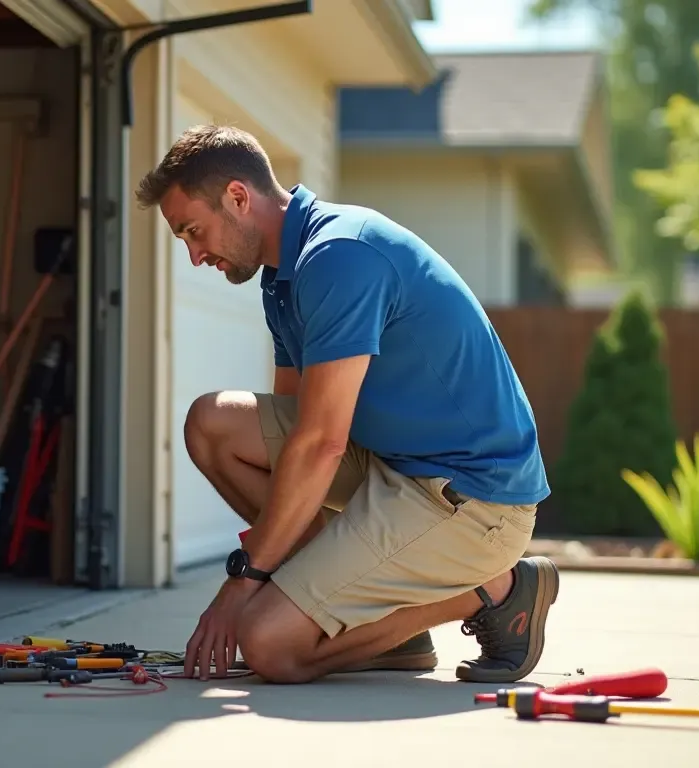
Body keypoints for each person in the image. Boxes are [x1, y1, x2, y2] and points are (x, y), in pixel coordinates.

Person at [135, 125, 557, 685]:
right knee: (213, 424)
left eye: (194, 231)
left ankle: (500, 592)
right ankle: (372, 616)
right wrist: (297, 576)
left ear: (238, 197)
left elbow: (321, 443)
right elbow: (290, 438)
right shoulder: (280, 276)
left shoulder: (338, 256)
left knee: (269, 644)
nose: (193, 255)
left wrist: (244, 581)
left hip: (473, 500)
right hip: (394, 469)